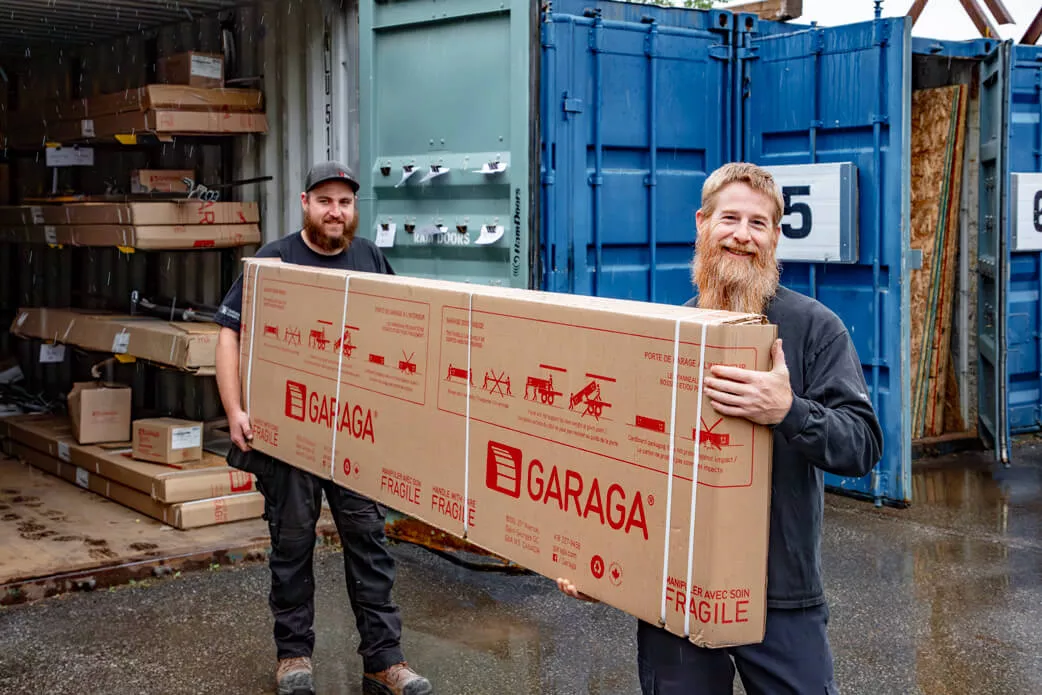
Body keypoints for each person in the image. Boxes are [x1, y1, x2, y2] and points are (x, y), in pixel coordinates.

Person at [557, 162, 884, 694]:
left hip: (781, 597)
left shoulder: (814, 328)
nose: (742, 235)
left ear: (776, 236)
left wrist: (788, 410)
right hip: (677, 590)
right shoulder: (671, 333)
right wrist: (600, 558)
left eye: (759, 223)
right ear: (702, 224)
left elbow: (863, 446)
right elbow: (629, 458)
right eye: (729, 218)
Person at [215, 162, 433, 695]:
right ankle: (293, 657)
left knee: (369, 543)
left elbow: (398, 330)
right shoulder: (275, 260)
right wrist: (235, 409)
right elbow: (228, 333)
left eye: (346, 202)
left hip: (354, 434)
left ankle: (385, 661)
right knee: (292, 544)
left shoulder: (369, 258)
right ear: (305, 202)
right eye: (326, 201)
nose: (336, 212)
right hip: (287, 433)